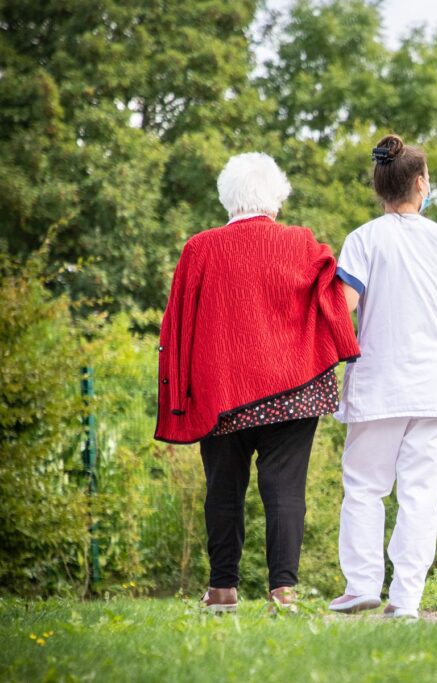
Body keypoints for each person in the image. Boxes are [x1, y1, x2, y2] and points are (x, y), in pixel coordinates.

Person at [154, 152, 360, 613]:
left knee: (223, 488)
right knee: (285, 489)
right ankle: (283, 592)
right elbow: (333, 302)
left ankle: (223, 589)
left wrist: (179, 390)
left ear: (228, 199)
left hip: (220, 392)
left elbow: (178, 325)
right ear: (276, 198)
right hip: (293, 389)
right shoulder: (302, 243)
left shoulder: (199, 249)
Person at [328, 135, 437, 619]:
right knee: (421, 494)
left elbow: (346, 306)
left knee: (364, 487)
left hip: (378, 384)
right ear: (420, 184)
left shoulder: (363, 239)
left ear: (380, 188)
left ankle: (360, 585)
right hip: (433, 388)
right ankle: (406, 600)